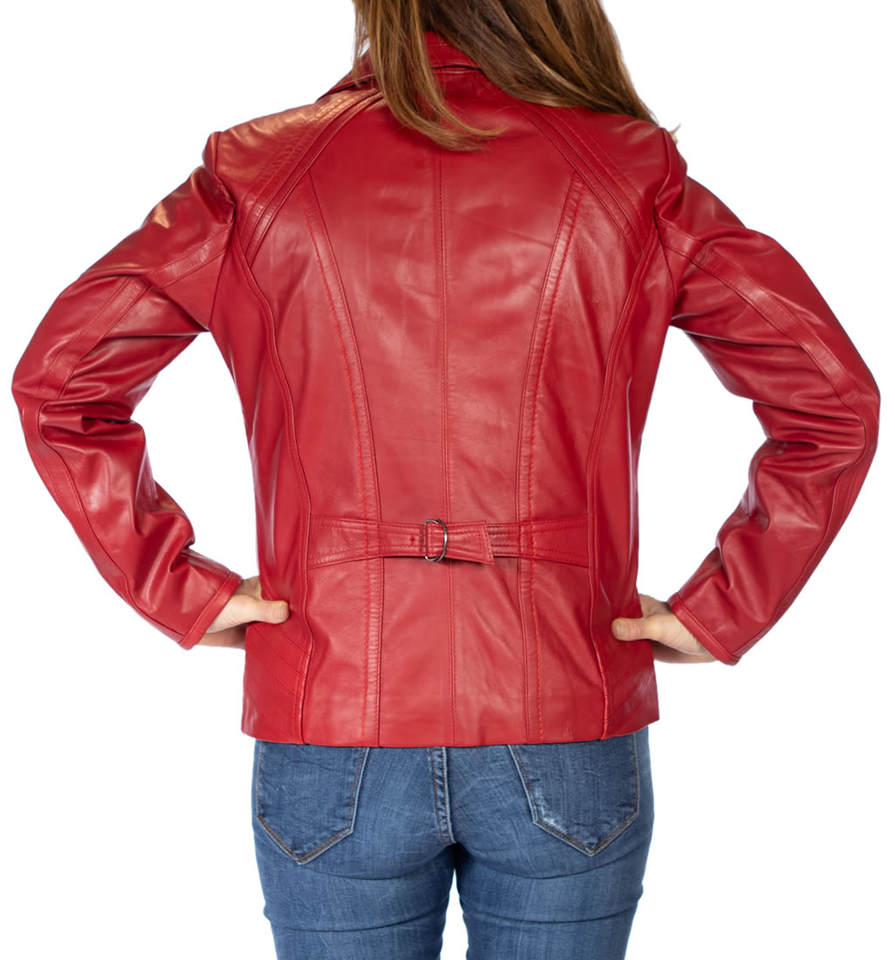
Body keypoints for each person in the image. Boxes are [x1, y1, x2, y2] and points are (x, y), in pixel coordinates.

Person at [10, 2, 881, 958]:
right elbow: (829, 401)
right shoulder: (630, 174)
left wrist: (183, 592)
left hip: (332, 709)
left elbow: (62, 383)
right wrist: (722, 609)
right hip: (564, 701)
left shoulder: (258, 174)